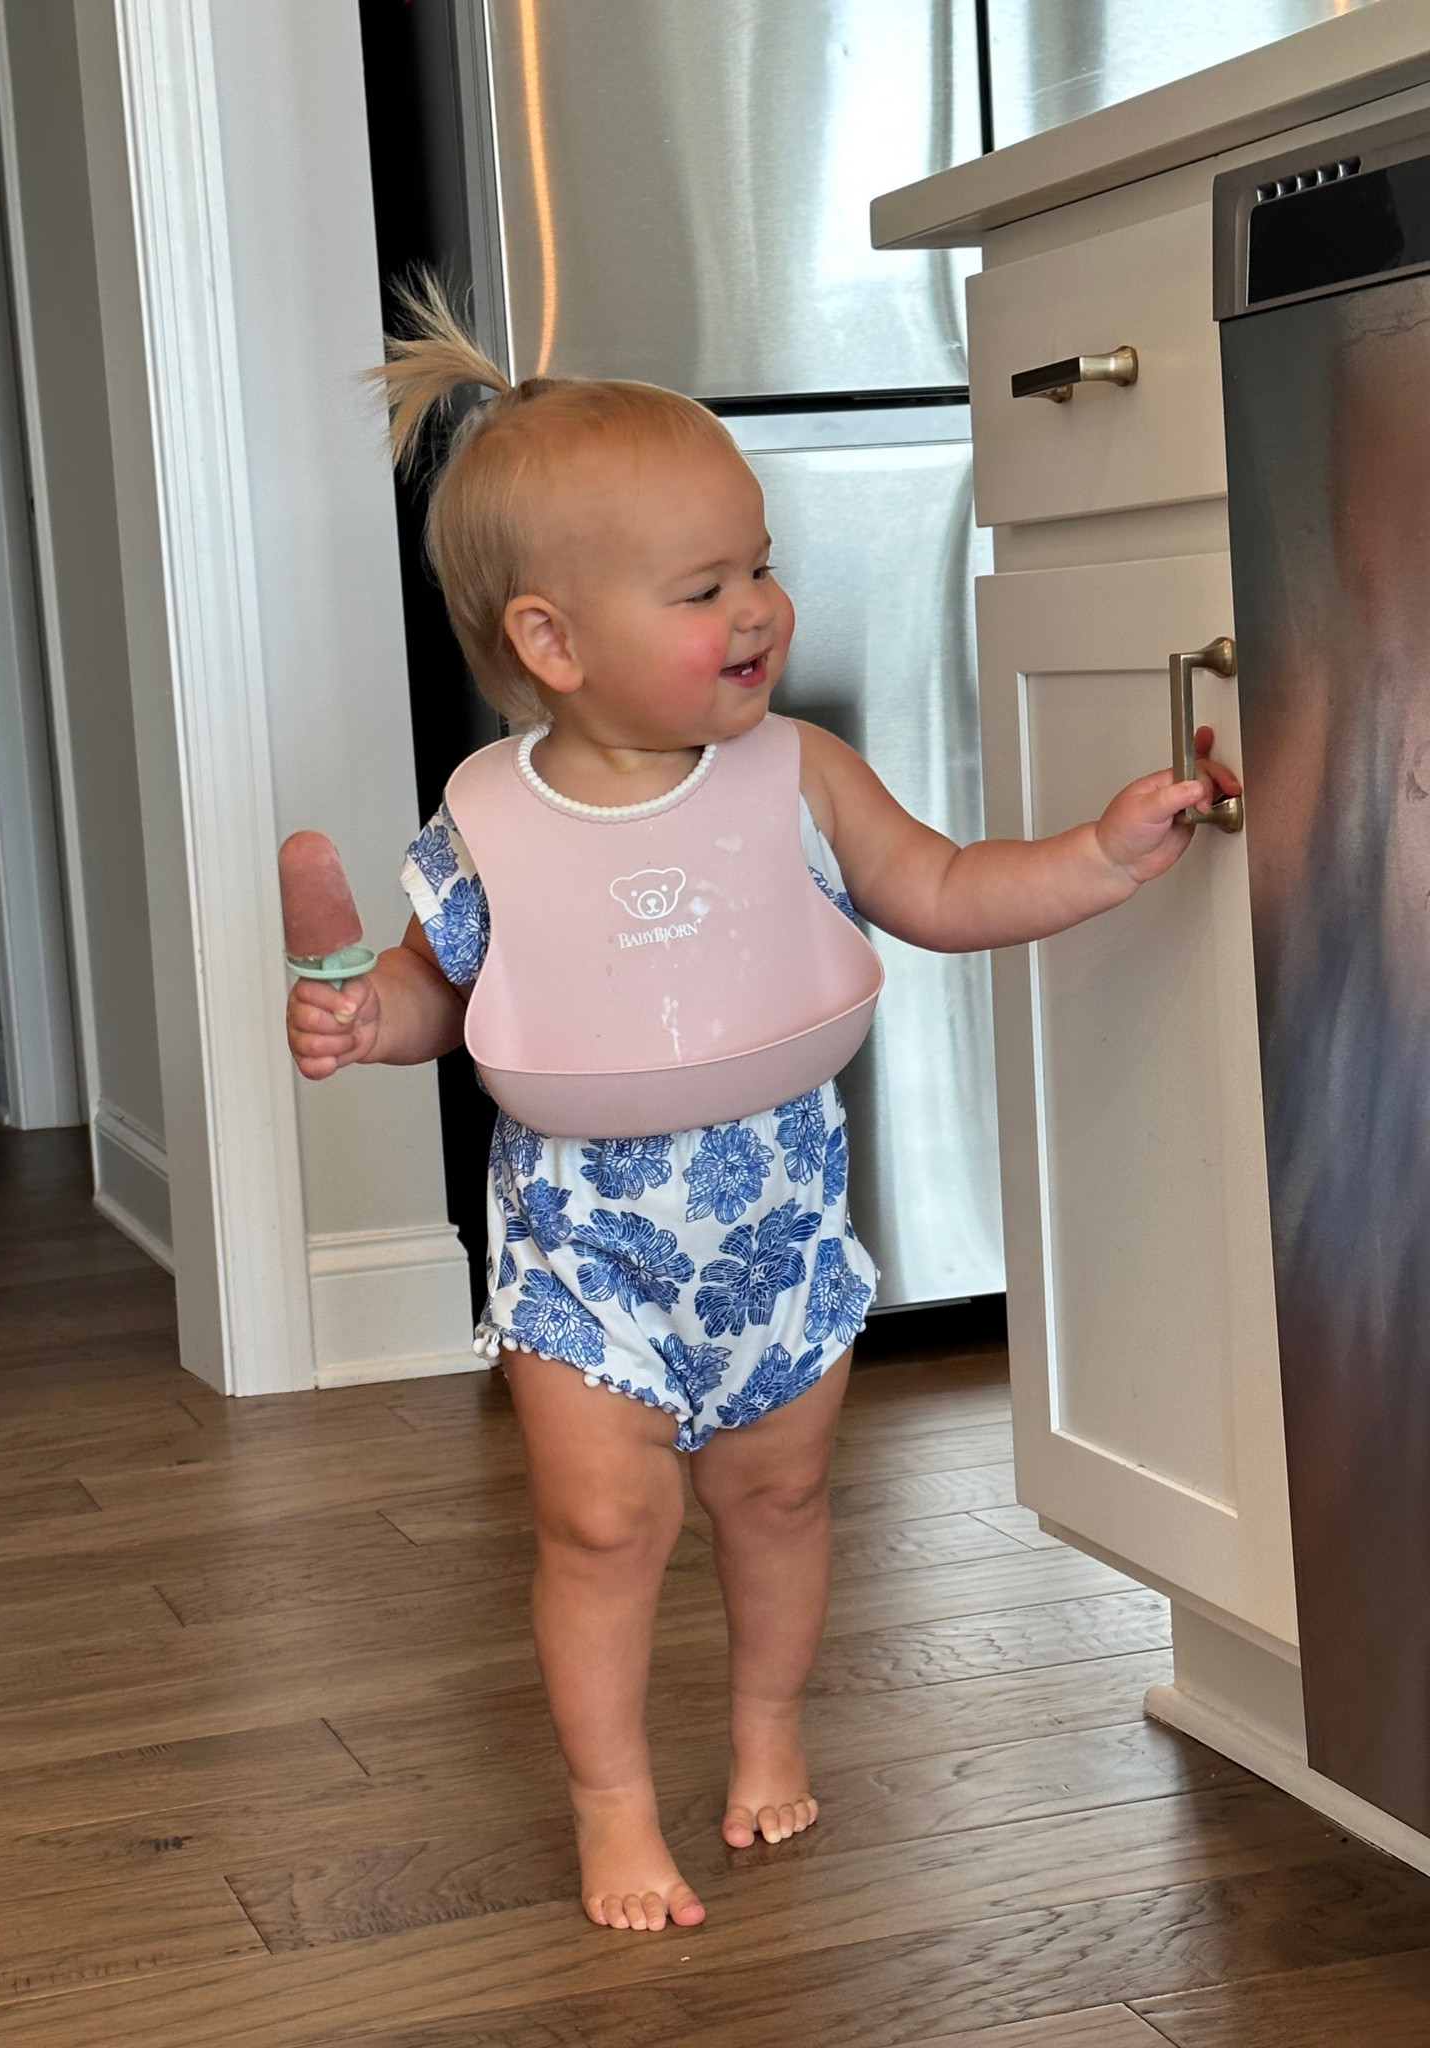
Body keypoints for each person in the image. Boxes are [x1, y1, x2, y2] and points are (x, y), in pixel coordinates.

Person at [285, 278, 1239, 1935]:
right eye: (706, 586)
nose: (759, 608)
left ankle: (766, 1733)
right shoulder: (488, 821)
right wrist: (369, 1019)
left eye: (762, 564)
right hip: (582, 1237)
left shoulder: (800, 773)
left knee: (778, 1496)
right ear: (550, 643)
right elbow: (454, 993)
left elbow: (939, 887)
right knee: (598, 1525)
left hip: (778, 1216)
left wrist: (1098, 854)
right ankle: (608, 1807)